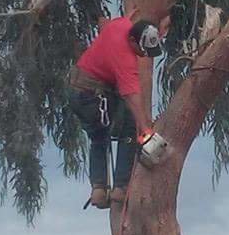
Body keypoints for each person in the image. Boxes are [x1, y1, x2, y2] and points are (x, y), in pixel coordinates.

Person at [68, 17, 161, 208]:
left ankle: (99, 190)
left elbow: (108, 24)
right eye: (143, 50)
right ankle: (120, 188)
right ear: (133, 41)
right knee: (130, 129)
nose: (144, 55)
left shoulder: (122, 24)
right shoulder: (126, 60)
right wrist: (146, 130)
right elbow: (132, 97)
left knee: (98, 139)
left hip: (77, 90)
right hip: (93, 97)